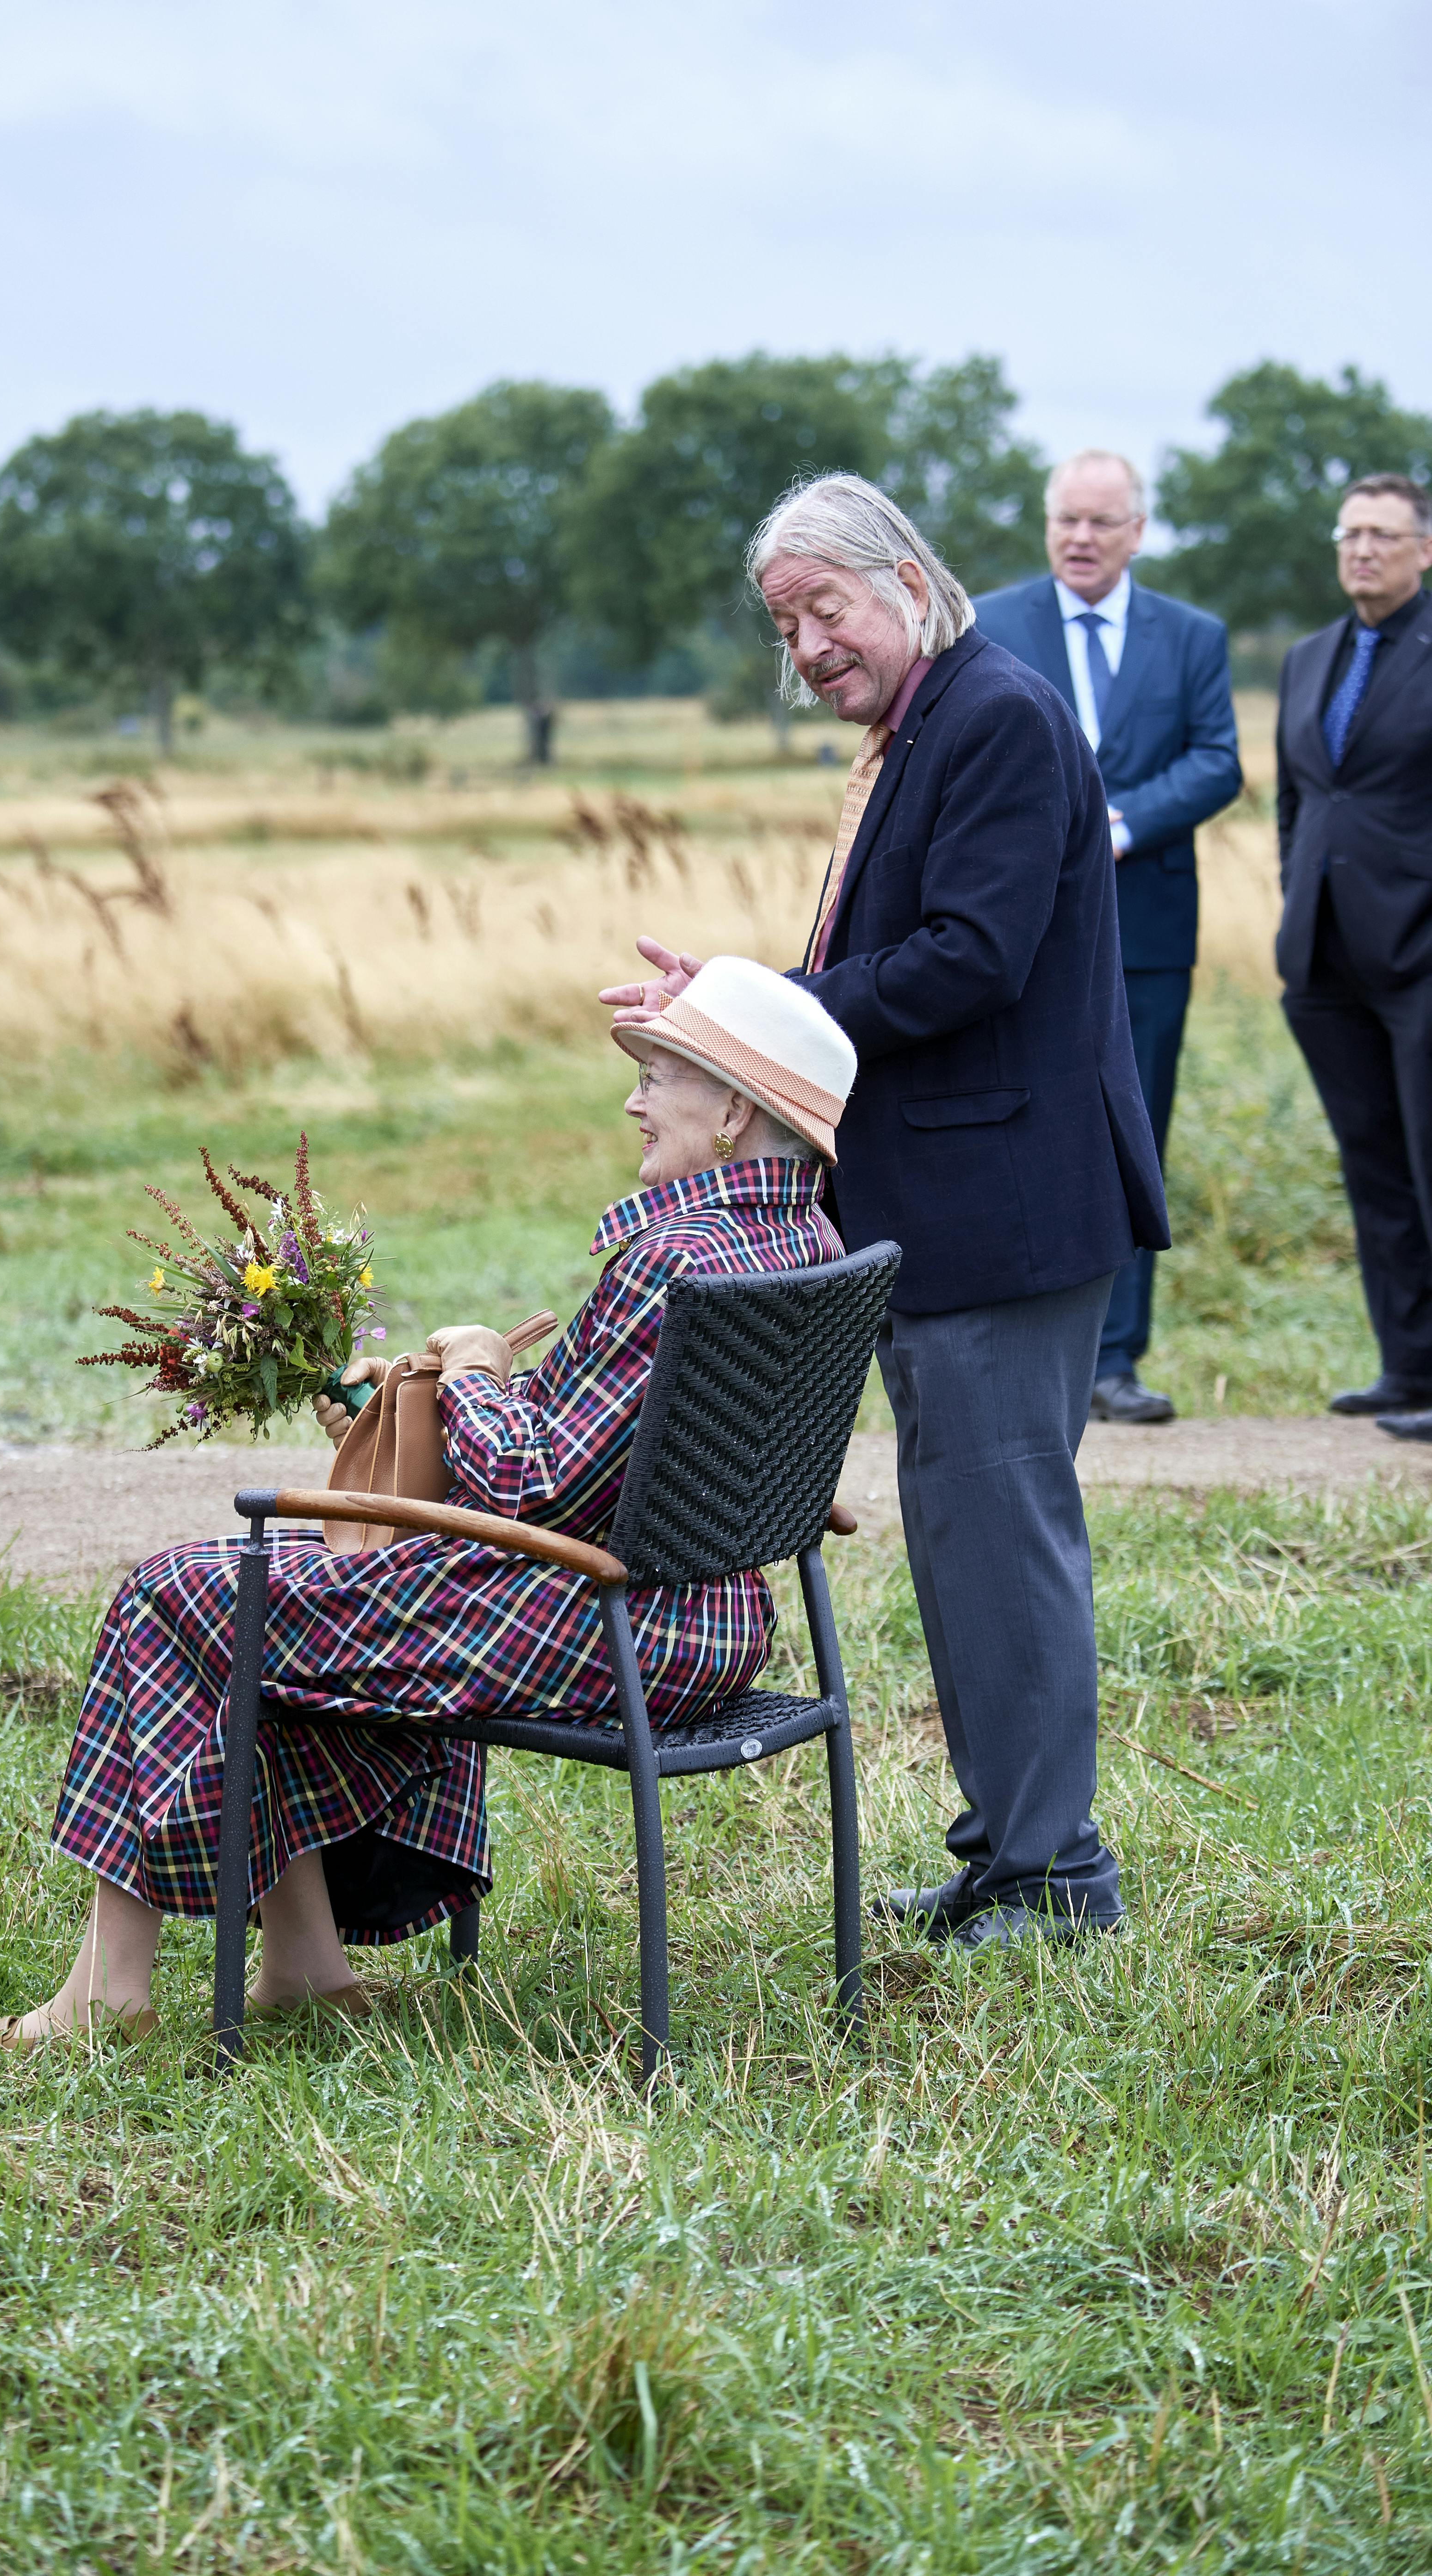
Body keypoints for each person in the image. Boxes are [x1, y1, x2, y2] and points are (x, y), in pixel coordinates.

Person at [0, 959, 854, 2048]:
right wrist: (416, 1416)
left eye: (658, 1075)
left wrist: (472, 1372)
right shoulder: (803, 1242)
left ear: (731, 1111)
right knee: (282, 1598)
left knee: (176, 1597)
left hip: (612, 1621)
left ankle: (105, 1996)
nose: (632, 1098)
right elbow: (638, 1439)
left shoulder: (674, 1259)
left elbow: (536, 1487)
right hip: (715, 1616)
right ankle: (304, 1964)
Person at [602, 473, 1169, 1951]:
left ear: (906, 580)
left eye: (825, 609)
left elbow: (969, 960)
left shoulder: (995, 716)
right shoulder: (929, 720)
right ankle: (1003, 1853)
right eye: (786, 625)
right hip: (953, 1214)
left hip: (1008, 1213)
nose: (809, 648)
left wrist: (761, 1004)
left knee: (1003, 1542)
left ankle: (1058, 1882)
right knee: (960, 1542)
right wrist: (730, 1006)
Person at [973, 451, 1241, 1424]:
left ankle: (1116, 1360)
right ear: (1045, 526)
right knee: (1036, 1127)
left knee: (1135, 1135)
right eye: (1064, 521)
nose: (1079, 539)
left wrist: (1117, 826)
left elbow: (1217, 760)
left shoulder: (1193, 636)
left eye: (1099, 522)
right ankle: (1040, 1354)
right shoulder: (991, 624)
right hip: (1023, 936)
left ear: (1136, 530)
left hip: (1149, 931)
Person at [1276, 474, 1432, 1438]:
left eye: (1381, 534)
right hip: (1325, 960)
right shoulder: (1308, 658)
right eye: (1348, 533)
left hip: (1419, 955)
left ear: (1423, 549)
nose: (1360, 549)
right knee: (1374, 1170)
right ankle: (1406, 1370)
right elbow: (1300, 802)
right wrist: (1297, 906)